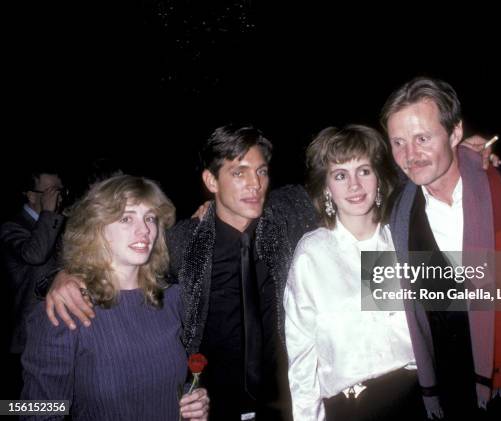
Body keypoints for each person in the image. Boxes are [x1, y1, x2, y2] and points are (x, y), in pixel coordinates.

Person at [44, 126, 319, 421]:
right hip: (211, 409)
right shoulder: (180, 244)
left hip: (288, 403)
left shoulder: (289, 214)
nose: (255, 184)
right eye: (239, 173)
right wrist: (63, 276)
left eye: (261, 171)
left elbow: (360, 209)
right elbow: (24, 407)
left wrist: (377, 296)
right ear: (211, 180)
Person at [380, 76, 501, 419]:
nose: (409, 156)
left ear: (455, 134)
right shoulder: (393, 213)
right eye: (398, 142)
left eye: (422, 138)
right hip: (450, 394)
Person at [21, 174, 209, 420]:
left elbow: (162, 378)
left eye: (150, 218)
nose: (144, 230)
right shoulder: (66, 307)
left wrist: (191, 399)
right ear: (96, 228)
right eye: (126, 218)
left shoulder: (171, 298)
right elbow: (28, 409)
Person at [284, 125, 425, 421]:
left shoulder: (399, 240)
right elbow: (302, 358)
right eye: (340, 175)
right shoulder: (313, 254)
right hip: (351, 409)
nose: (354, 185)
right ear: (326, 188)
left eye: (363, 170)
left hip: (416, 400)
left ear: (378, 178)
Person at [0, 168, 65, 398]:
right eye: (51, 191)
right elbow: (35, 255)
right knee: (25, 404)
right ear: (31, 195)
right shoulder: (11, 227)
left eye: (60, 190)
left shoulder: (59, 222)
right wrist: (49, 212)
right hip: (27, 339)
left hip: (59, 333)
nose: (58, 196)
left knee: (59, 402)